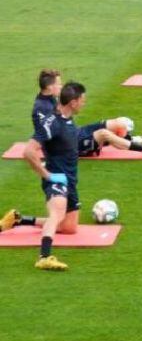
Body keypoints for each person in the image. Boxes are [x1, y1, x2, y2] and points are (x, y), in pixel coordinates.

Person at [20, 82, 89, 271]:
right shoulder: (53, 123)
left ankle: (20, 220)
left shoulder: (67, 119)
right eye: (82, 100)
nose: (84, 103)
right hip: (57, 179)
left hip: (70, 180)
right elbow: (28, 152)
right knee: (57, 213)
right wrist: (48, 175)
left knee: (69, 227)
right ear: (73, 102)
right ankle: (44, 257)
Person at [33, 69, 142, 158]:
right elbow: (44, 134)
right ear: (49, 87)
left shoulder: (53, 98)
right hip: (71, 145)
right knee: (104, 133)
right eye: (59, 84)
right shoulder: (41, 107)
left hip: (76, 132)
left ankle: (126, 140)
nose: (61, 87)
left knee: (119, 124)